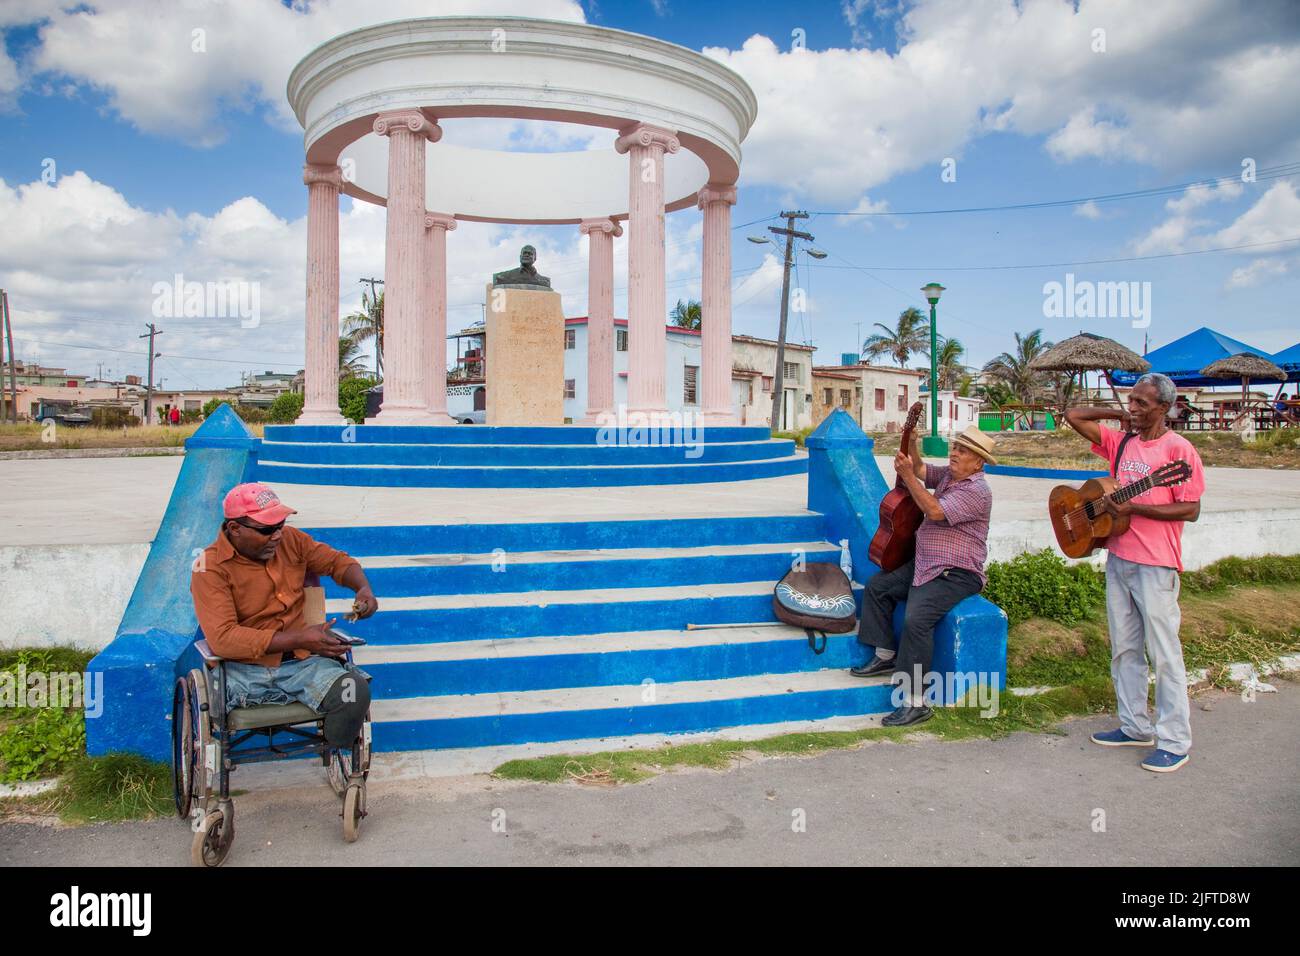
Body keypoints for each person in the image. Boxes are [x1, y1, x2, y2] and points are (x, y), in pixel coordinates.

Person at [1064, 372, 1205, 773]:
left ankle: (1175, 741)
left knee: (1164, 654)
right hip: (1119, 557)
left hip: (1156, 564)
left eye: (1143, 403)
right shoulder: (1121, 442)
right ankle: (1134, 725)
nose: (1135, 408)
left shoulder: (1178, 450)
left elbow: (1190, 509)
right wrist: (1117, 413)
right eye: (1132, 400)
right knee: (1125, 648)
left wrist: (1136, 508)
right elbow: (1074, 415)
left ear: (1165, 408)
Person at [190, 482, 379, 747]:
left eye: (280, 525)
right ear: (235, 529)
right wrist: (300, 639)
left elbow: (337, 562)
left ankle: (333, 750)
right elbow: (223, 638)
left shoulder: (292, 540)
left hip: (303, 666)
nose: (277, 535)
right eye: (267, 529)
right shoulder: (209, 568)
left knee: (354, 692)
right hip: (243, 672)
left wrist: (363, 588)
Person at [851, 425, 997, 727]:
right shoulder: (949, 476)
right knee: (879, 586)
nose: (955, 453)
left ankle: (915, 702)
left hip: (956, 572)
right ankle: (885, 652)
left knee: (916, 621)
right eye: (955, 447)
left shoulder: (976, 491)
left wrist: (905, 476)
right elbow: (919, 469)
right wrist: (913, 445)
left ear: (978, 462)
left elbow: (933, 510)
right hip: (927, 563)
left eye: (963, 451)